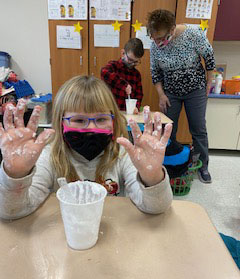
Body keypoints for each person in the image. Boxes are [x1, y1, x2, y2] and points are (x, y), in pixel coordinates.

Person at [0, 75, 173, 220]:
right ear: (61, 124)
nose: (91, 128)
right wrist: (16, 175)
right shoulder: (49, 157)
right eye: (79, 120)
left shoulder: (121, 156)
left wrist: (152, 177)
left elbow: (156, 208)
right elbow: (10, 211)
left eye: (101, 119)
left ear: (113, 121)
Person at [147, 9, 216, 183]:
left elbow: (209, 58)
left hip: (196, 90)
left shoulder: (193, 33)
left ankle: (203, 166)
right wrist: (161, 95)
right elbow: (155, 71)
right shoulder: (155, 45)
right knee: (167, 130)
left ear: (171, 29)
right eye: (154, 38)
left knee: (198, 129)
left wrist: (209, 83)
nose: (158, 42)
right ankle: (169, 165)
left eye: (161, 38)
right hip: (170, 93)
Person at [101, 38, 144, 113]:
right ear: (123, 53)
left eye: (136, 62)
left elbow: (139, 95)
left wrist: (136, 107)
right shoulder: (114, 66)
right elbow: (104, 72)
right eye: (130, 60)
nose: (132, 64)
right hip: (110, 111)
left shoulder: (136, 75)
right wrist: (124, 85)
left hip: (127, 113)